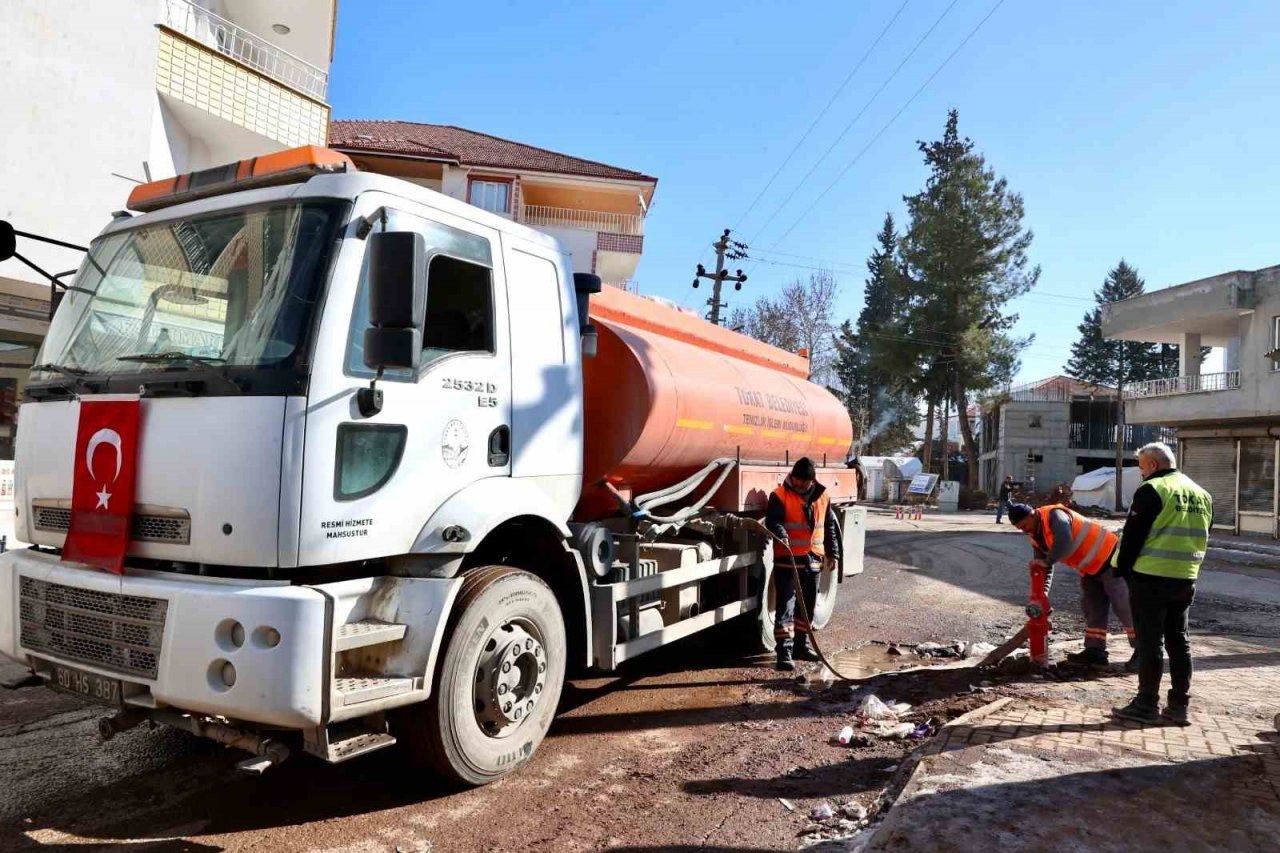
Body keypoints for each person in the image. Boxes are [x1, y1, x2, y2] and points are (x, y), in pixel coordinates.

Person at [1111, 442, 1212, 726]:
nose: (1141, 474)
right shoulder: (1201, 493)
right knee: (1179, 640)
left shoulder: (1153, 489)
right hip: (1185, 577)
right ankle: (1179, 706)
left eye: (1142, 468)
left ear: (1153, 466)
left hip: (1151, 577)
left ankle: (1146, 705)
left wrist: (1121, 569)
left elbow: (1132, 536)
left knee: (1150, 641)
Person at [1008, 502, 1138, 670]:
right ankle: (1095, 651)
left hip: (1110, 559)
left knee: (1124, 606)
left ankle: (1144, 651)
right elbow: (1043, 568)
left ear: (1032, 514)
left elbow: (1064, 541)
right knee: (1092, 608)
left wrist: (1047, 560)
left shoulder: (1055, 516)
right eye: (1020, 528)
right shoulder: (1035, 538)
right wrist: (1042, 596)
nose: (1024, 530)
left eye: (1024, 525)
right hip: (1090, 569)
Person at [766, 457, 842, 671]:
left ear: (812, 480)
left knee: (806, 607)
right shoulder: (779, 495)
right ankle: (784, 654)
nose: (798, 484)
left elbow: (829, 528)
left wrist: (833, 553)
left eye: (803, 481)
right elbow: (774, 521)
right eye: (796, 479)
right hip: (787, 561)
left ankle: (802, 646)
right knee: (786, 608)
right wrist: (781, 533)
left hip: (813, 560)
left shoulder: (824, 496)